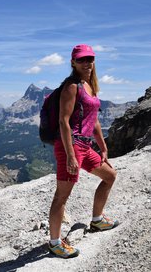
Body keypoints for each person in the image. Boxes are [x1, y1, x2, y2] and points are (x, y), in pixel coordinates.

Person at [48, 44, 119, 258]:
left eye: (90, 59)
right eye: (82, 60)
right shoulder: (72, 86)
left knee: (110, 176)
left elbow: (94, 120)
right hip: (71, 146)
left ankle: (97, 221)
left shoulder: (89, 85)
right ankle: (54, 243)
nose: (87, 63)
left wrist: (103, 145)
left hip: (85, 146)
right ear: (73, 62)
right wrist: (70, 155)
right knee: (62, 196)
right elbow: (63, 121)